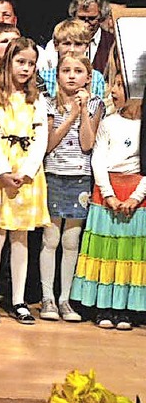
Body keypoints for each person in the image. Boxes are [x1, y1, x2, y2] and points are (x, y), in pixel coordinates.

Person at [0, 37, 51, 324]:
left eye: (31, 63)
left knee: (21, 238)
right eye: (20, 62)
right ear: (8, 62)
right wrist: (3, 172)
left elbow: (41, 138)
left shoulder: (38, 99)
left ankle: (19, 299)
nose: (26, 68)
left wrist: (27, 171)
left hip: (27, 174)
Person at [71, 73, 145, 330]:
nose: (113, 90)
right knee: (105, 254)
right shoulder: (109, 122)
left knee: (128, 255)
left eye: (120, 85)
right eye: (113, 84)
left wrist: (136, 197)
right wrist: (109, 193)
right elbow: (98, 160)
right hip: (107, 196)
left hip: (136, 198)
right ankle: (102, 306)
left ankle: (124, 309)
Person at [39, 53, 103, 322]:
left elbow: (87, 143)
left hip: (79, 178)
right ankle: (47, 298)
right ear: (58, 75)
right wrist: (72, 114)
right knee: (50, 239)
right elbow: (49, 144)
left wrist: (84, 112)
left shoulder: (96, 104)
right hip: (53, 175)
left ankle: (65, 298)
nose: (72, 75)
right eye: (66, 70)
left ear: (88, 78)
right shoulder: (48, 104)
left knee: (70, 240)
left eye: (78, 71)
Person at [43, 0, 114, 75]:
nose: (86, 24)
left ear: (101, 16)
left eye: (92, 19)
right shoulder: (56, 44)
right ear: (73, 14)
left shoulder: (112, 43)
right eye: (81, 18)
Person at [40, 19, 106, 100]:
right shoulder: (42, 77)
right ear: (56, 46)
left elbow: (98, 108)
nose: (72, 49)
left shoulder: (96, 78)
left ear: (87, 47)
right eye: (67, 44)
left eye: (78, 44)